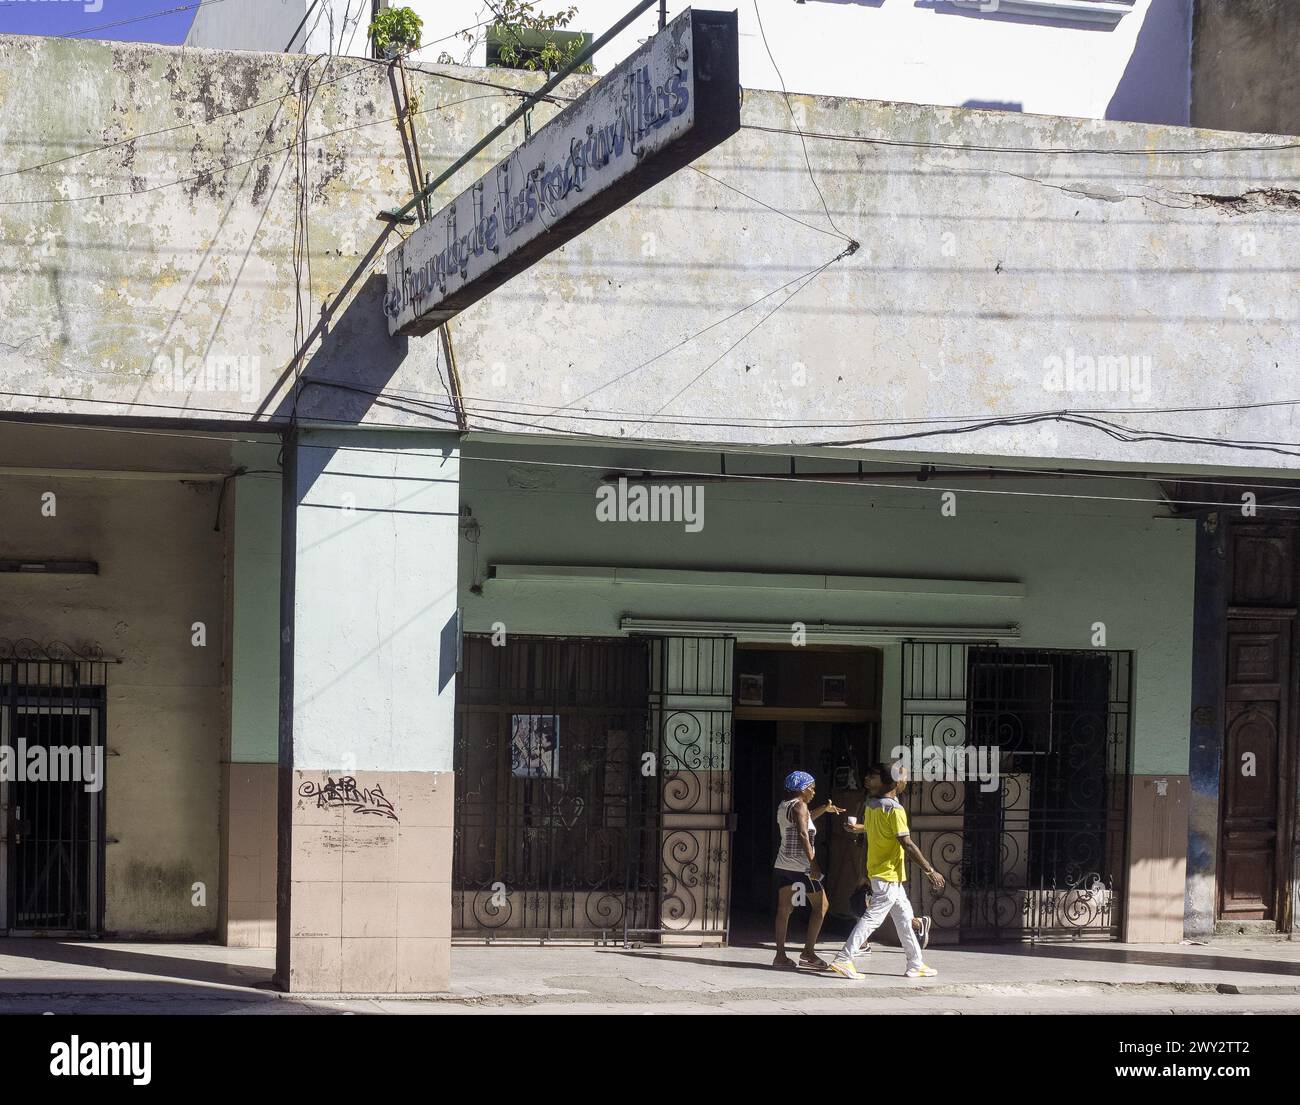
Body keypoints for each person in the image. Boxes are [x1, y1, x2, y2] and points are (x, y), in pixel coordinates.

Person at [829, 761, 944, 979]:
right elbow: (907, 843)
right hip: (888, 874)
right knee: (872, 918)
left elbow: (870, 835)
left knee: (905, 919)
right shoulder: (895, 809)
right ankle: (844, 958)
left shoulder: (872, 804)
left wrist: (864, 869)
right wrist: (930, 870)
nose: (906, 781)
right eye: (904, 778)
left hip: (884, 874)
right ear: (894, 782)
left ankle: (915, 963)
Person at [772, 770, 844, 970]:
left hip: (783, 864)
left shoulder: (785, 806)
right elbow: (804, 833)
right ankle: (809, 953)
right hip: (801, 866)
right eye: (811, 788)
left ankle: (780, 955)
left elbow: (805, 819)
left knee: (784, 909)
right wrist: (813, 863)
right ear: (803, 789)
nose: (813, 792)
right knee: (821, 906)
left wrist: (824, 808)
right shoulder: (800, 805)